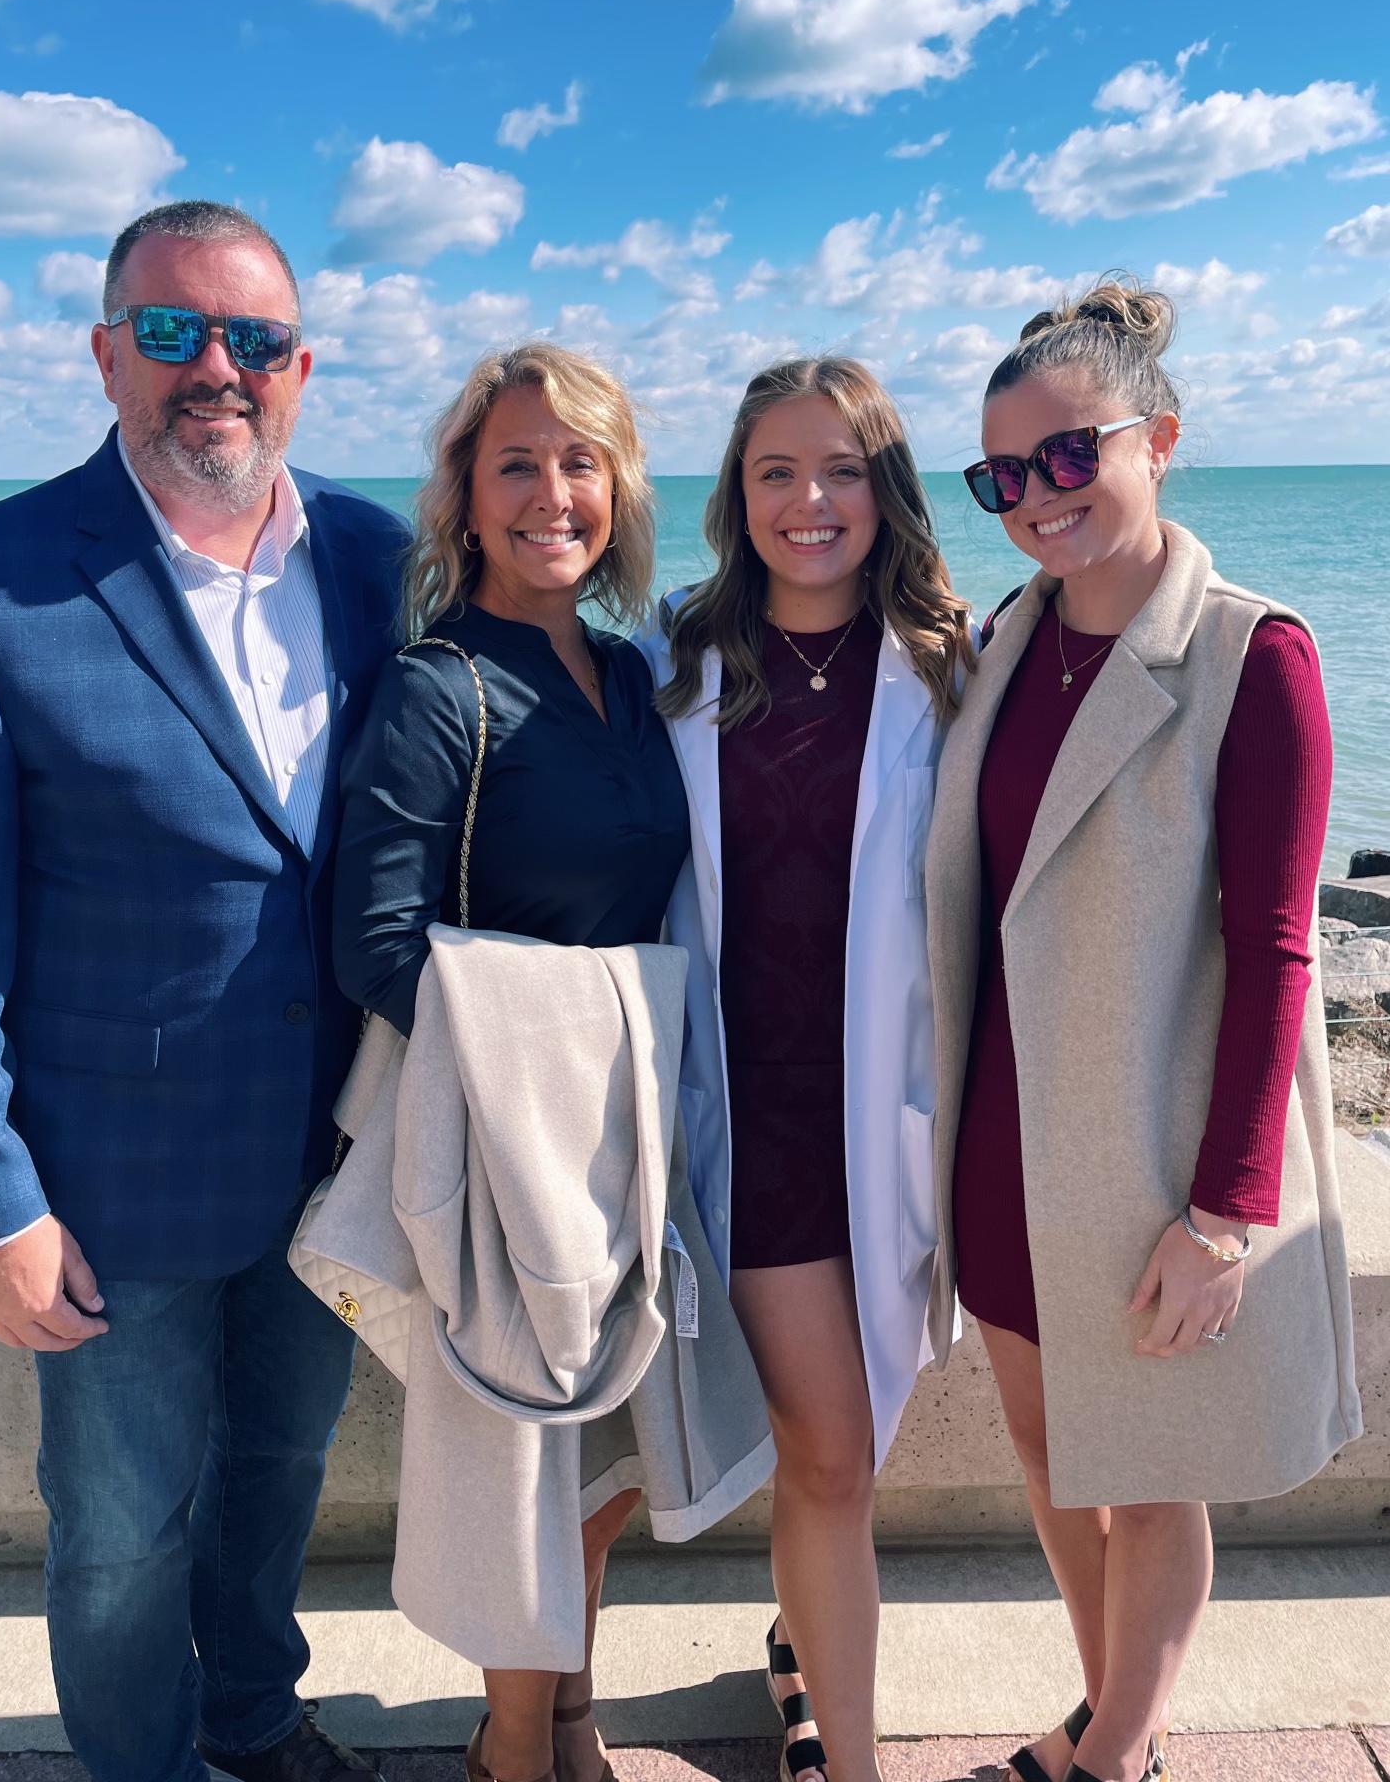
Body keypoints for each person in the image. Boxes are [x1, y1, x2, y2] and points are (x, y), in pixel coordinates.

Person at [0, 201, 410, 1782]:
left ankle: (251, 1713)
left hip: (335, 1158)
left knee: (280, 1473)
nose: (215, 369)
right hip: (109, 1187)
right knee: (117, 1533)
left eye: (254, 339)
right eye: (173, 331)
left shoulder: (383, 561)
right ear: (108, 353)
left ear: (301, 368)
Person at [926, 280, 1362, 1782]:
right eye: (1000, 474)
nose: (1034, 495)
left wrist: (1229, 1209)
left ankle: (1112, 1757)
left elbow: (1282, 947)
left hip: (1147, 1140)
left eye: (1069, 454)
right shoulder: (1004, 642)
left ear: (1157, 440)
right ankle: (1111, 1709)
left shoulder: (1255, 655)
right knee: (1051, 1451)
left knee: (1155, 1473)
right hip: (1003, 1124)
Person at [333, 343, 760, 1782]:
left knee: (608, 1455)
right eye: (515, 463)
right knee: (529, 1464)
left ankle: (565, 1717)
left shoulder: (632, 676)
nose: (550, 494)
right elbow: (373, 941)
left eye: (581, 463)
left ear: (620, 491)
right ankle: (517, 1752)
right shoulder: (438, 686)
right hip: (518, 1134)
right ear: (464, 497)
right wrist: (539, 1066)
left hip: (629, 1128)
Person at [648, 358, 975, 1782]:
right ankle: (850, 1760)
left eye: (843, 470)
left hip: (894, 1119)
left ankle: (800, 1642)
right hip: (752, 1117)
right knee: (830, 1452)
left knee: (860, 1435)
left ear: (885, 490)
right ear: (736, 494)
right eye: (776, 471)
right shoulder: (670, 657)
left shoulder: (952, 666)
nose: (810, 501)